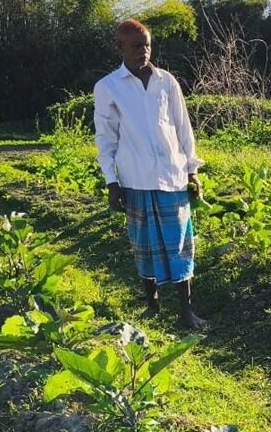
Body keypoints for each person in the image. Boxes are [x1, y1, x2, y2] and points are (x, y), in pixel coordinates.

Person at [93, 19, 208, 330]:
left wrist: (192, 171)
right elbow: (105, 138)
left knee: (181, 244)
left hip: (171, 176)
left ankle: (186, 312)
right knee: (144, 245)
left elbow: (183, 128)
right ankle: (152, 304)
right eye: (135, 46)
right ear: (120, 48)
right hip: (136, 178)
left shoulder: (166, 81)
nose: (143, 52)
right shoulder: (107, 88)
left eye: (146, 45)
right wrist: (112, 182)